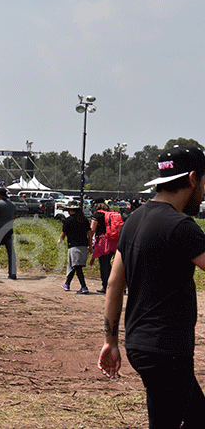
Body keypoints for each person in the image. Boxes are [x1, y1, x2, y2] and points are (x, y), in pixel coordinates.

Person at [98, 145, 205, 427]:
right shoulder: (182, 227)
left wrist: (110, 341)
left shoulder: (134, 221)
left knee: (197, 417)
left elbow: (112, 284)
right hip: (166, 349)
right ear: (193, 179)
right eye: (204, 183)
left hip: (141, 345)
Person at [57, 200, 90, 294]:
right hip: (83, 246)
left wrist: (60, 240)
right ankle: (67, 284)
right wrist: (90, 246)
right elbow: (89, 233)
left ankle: (84, 287)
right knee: (74, 265)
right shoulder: (84, 219)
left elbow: (64, 233)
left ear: (71, 210)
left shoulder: (68, 220)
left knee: (77, 266)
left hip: (73, 246)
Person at [90, 200, 117, 294]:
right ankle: (118, 285)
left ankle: (106, 286)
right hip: (114, 241)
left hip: (102, 242)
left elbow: (92, 229)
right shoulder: (111, 214)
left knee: (104, 264)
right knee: (110, 264)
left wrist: (89, 242)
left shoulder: (97, 215)